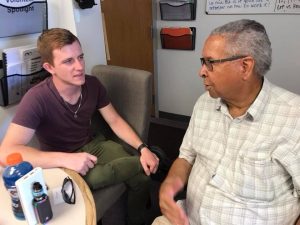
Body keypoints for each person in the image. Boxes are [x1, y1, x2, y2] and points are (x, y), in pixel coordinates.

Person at [0, 28, 159, 225]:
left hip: (92, 144)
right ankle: (159, 161)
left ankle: (138, 220)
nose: (79, 66)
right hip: (60, 162)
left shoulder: (92, 85)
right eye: (68, 61)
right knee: (111, 174)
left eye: (80, 57)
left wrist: (142, 148)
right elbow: (6, 153)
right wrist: (67, 159)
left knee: (142, 179)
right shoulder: (36, 98)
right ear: (50, 68)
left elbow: (114, 120)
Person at [152, 19, 300, 225]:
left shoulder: (294, 117)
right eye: (202, 62)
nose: (201, 71)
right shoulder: (205, 103)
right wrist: (169, 187)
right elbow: (186, 157)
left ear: (245, 67)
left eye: (210, 63)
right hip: (186, 219)